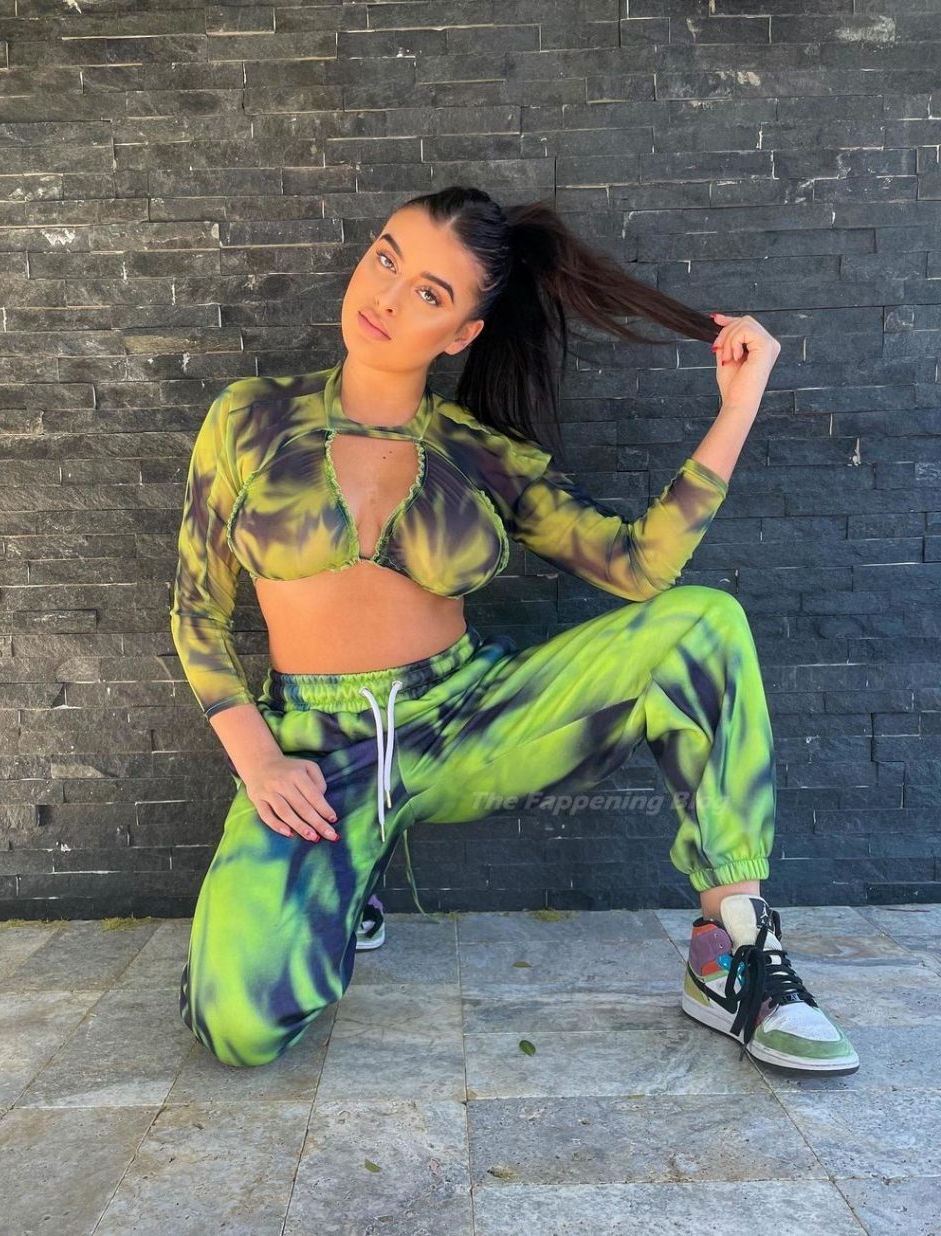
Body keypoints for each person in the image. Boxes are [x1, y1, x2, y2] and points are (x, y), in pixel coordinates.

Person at [170, 185, 859, 1077]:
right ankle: (345, 881)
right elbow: (197, 610)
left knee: (704, 624)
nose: (386, 297)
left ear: (461, 333)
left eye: (429, 292)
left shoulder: (477, 451)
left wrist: (738, 406)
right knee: (235, 1027)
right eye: (386, 259)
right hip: (315, 753)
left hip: (469, 720)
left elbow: (636, 567)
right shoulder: (249, 418)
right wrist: (260, 759)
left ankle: (731, 954)